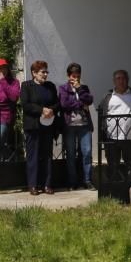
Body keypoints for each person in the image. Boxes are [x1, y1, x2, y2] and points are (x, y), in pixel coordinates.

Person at [20, 60, 61, 195]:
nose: (45, 74)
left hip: (48, 126)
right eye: (42, 72)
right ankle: (32, 185)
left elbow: (57, 103)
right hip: (33, 126)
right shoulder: (26, 86)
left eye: (46, 72)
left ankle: (47, 184)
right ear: (34, 73)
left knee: (47, 155)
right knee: (33, 156)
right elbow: (26, 105)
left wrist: (51, 110)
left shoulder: (50, 86)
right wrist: (42, 110)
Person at [97, 70, 131, 179]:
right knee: (113, 164)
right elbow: (101, 113)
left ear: (127, 80)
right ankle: (113, 188)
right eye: (118, 78)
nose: (121, 81)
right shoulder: (107, 96)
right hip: (111, 136)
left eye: (123, 78)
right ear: (114, 81)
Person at [59, 63, 95, 191]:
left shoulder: (84, 87)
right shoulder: (63, 88)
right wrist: (81, 104)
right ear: (69, 76)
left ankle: (87, 180)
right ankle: (72, 182)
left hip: (84, 126)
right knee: (71, 154)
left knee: (87, 152)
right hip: (70, 126)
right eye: (74, 76)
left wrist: (79, 89)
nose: (76, 79)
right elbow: (64, 104)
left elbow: (90, 100)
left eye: (78, 76)